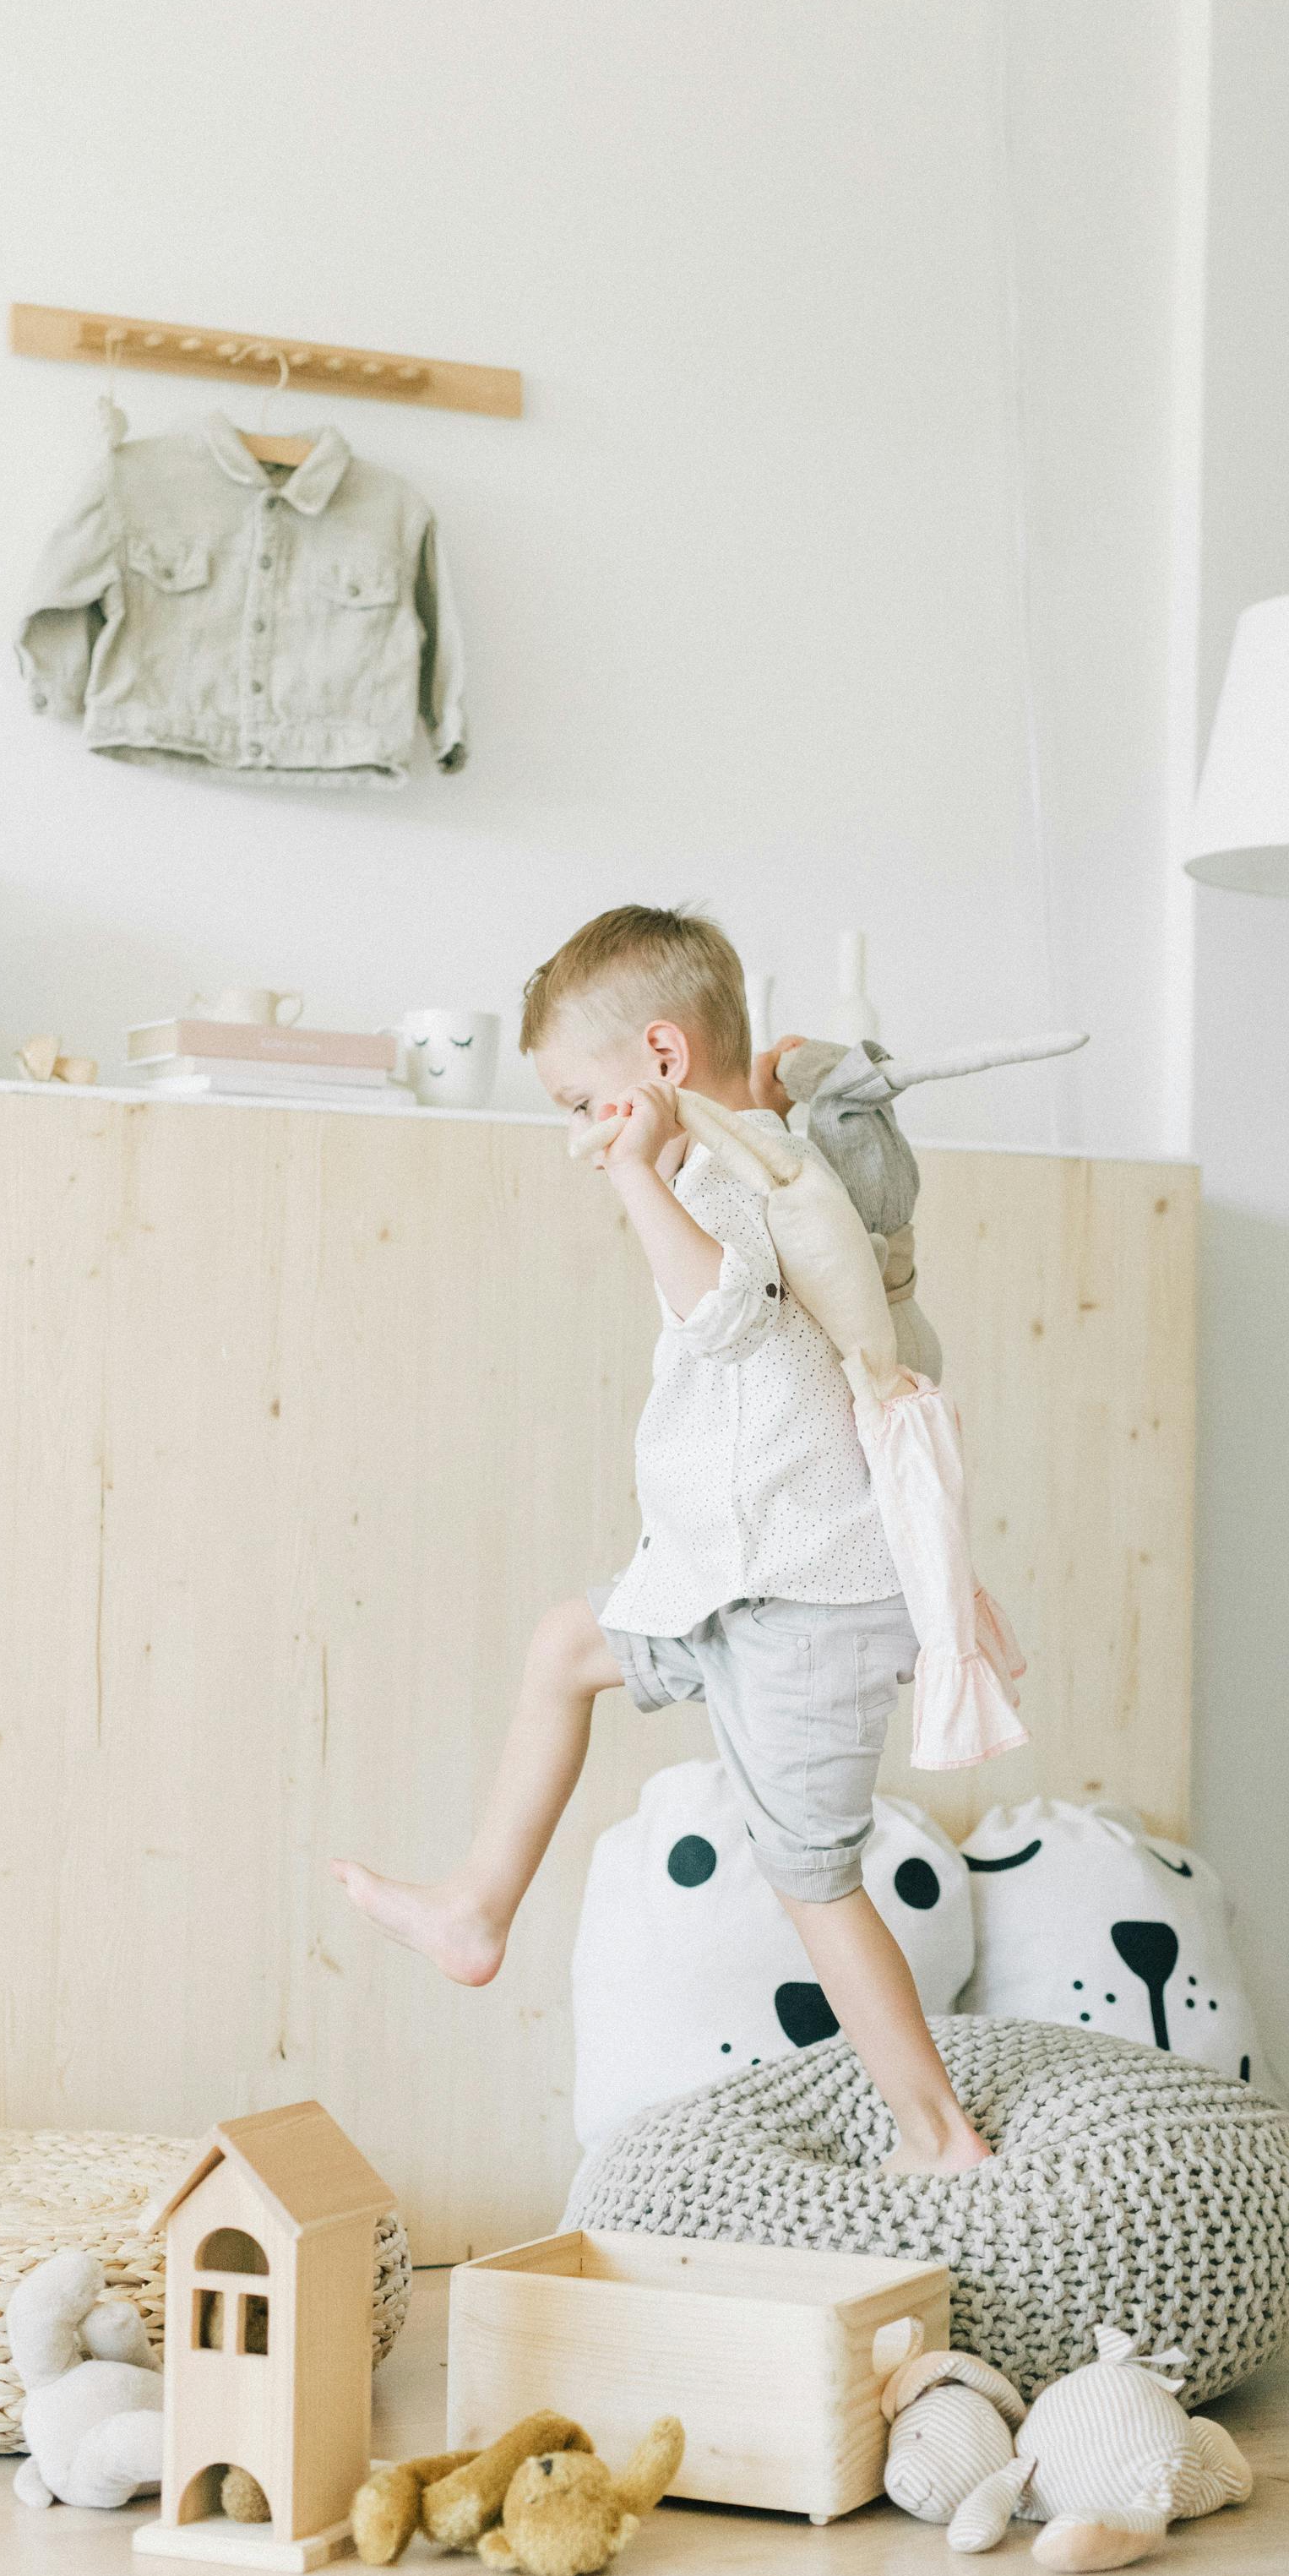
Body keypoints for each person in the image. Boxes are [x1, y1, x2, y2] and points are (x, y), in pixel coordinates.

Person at [335, 905, 992, 2176]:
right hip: (725, 1582)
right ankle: (478, 1909)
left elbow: (726, 1317)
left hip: (804, 1602)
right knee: (565, 1647)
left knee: (812, 1874)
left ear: (661, 1061)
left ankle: (938, 2132)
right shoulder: (761, 1143)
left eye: (584, 1104)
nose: (580, 1138)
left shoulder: (734, 1178)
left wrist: (640, 1174)